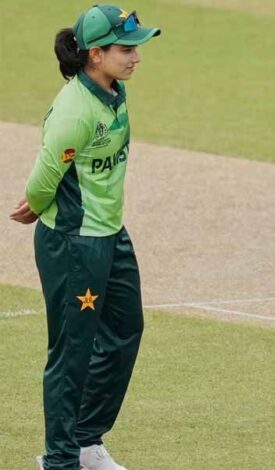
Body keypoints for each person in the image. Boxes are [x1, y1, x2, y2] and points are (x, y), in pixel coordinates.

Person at [9, 5, 161, 469]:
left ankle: (85, 441)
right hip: (74, 243)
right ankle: (59, 460)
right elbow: (43, 180)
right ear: (95, 54)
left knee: (125, 332)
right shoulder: (75, 111)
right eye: (125, 49)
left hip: (111, 234)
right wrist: (38, 206)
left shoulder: (114, 92)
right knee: (72, 352)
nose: (136, 57)